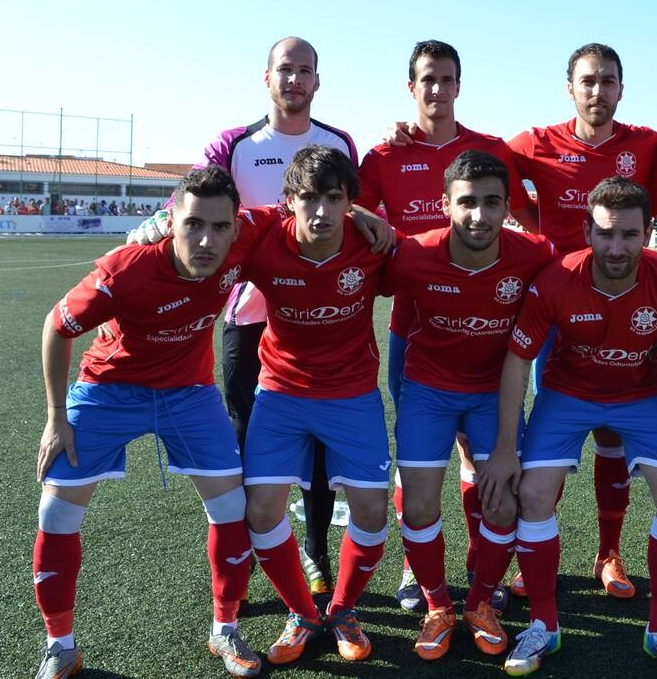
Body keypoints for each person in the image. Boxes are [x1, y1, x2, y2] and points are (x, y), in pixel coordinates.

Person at [131, 35, 392, 595]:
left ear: (317, 81)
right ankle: (251, 551)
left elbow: (353, 200)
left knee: (322, 449)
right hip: (248, 313)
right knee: (248, 436)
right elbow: (190, 200)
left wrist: (369, 214)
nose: (295, 80)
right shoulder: (234, 142)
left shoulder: (338, 142)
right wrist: (155, 226)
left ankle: (318, 553)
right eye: (285, 70)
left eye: (305, 71)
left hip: (320, 311)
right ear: (266, 78)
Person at [31, 166, 263, 679]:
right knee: (56, 514)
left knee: (231, 506)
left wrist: (361, 213)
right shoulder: (126, 270)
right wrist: (54, 419)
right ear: (170, 220)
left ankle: (225, 629)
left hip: (190, 393)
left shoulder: (245, 239)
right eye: (193, 224)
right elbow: (56, 325)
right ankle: (60, 646)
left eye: (220, 227)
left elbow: (304, 214)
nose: (207, 240)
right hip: (108, 392)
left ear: (236, 225)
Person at [480, 177, 657, 679]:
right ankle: (545, 621)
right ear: (587, 230)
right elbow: (518, 362)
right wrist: (505, 447)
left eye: (629, 235)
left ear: (649, 232)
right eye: (606, 233)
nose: (617, 247)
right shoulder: (557, 278)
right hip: (568, 395)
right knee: (535, 494)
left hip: (641, 395)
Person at [355, 40, 531, 610]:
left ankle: (485, 570)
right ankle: (415, 569)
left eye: (446, 79)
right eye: (427, 79)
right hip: (415, 330)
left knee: (479, 456)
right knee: (420, 453)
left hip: (487, 332)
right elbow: (349, 211)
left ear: (460, 85)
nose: (437, 89)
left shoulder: (490, 150)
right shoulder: (385, 154)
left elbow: (530, 211)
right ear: (412, 87)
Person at [382, 150, 555, 661]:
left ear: (507, 207)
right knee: (417, 501)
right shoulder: (412, 254)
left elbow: (580, 270)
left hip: (493, 394)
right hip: (427, 390)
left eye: (491, 203)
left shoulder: (533, 254)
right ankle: (438, 605)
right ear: (445, 205)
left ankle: (480, 603)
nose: (479, 215)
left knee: (503, 498)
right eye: (467, 203)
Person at [237, 146, 395, 666]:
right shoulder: (262, 244)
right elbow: (204, 232)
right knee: (260, 511)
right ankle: (303, 612)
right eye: (309, 198)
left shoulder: (372, 245)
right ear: (289, 201)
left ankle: (345, 609)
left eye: (334, 198)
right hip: (281, 393)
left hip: (352, 395)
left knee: (373, 511)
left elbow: (433, 260)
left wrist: (384, 226)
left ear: (351, 201)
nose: (321, 211)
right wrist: (149, 230)